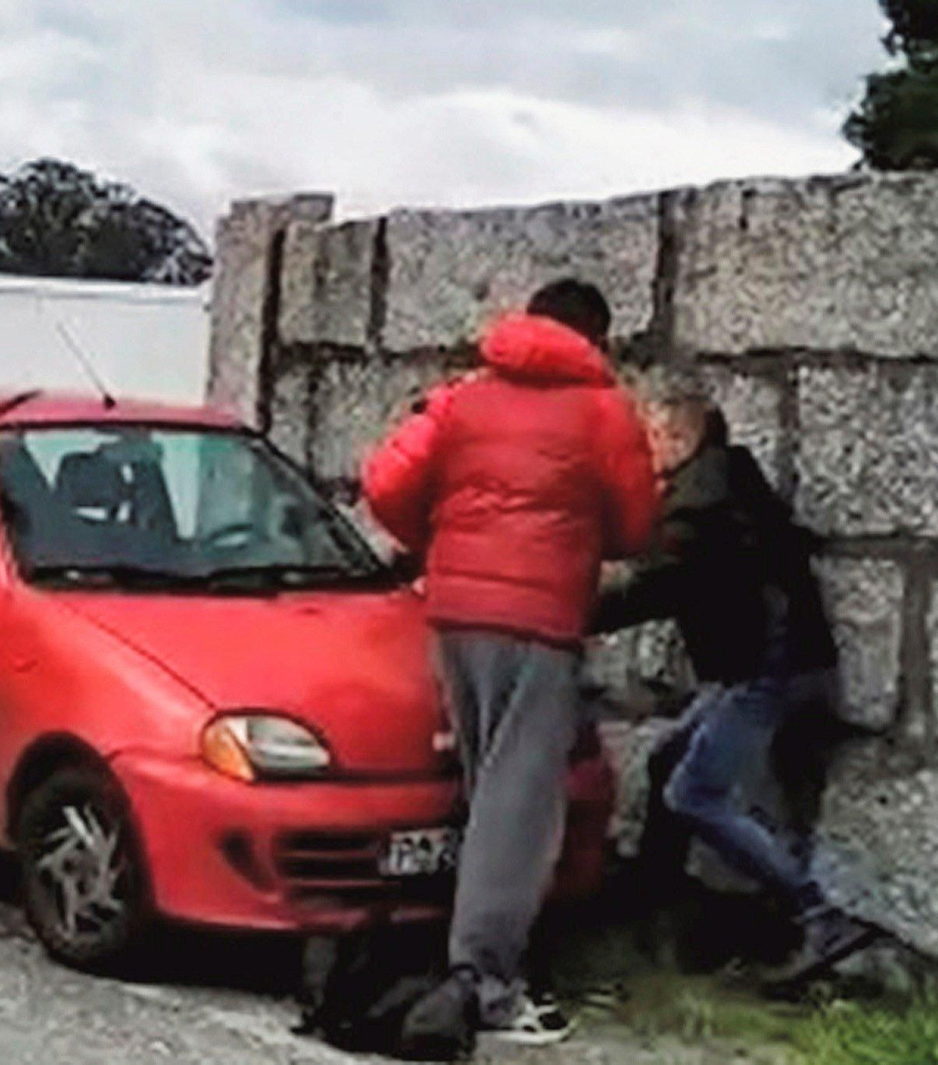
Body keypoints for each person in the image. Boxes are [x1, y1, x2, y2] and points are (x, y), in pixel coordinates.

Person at [362, 279, 659, 1055]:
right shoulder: (603, 409)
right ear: (596, 336)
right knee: (517, 806)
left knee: (480, 782)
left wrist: (440, 536)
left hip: (454, 612)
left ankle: (456, 949)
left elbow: (387, 483)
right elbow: (635, 524)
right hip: (540, 621)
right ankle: (486, 985)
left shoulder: (462, 397)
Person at [593, 384, 878, 986]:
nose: (646, 454)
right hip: (762, 661)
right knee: (670, 760)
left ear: (679, 437)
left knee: (693, 791)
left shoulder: (702, 502)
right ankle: (657, 909)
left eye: (652, 439)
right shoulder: (726, 482)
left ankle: (818, 915)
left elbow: (658, 582)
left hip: (761, 668)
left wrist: (574, 614)